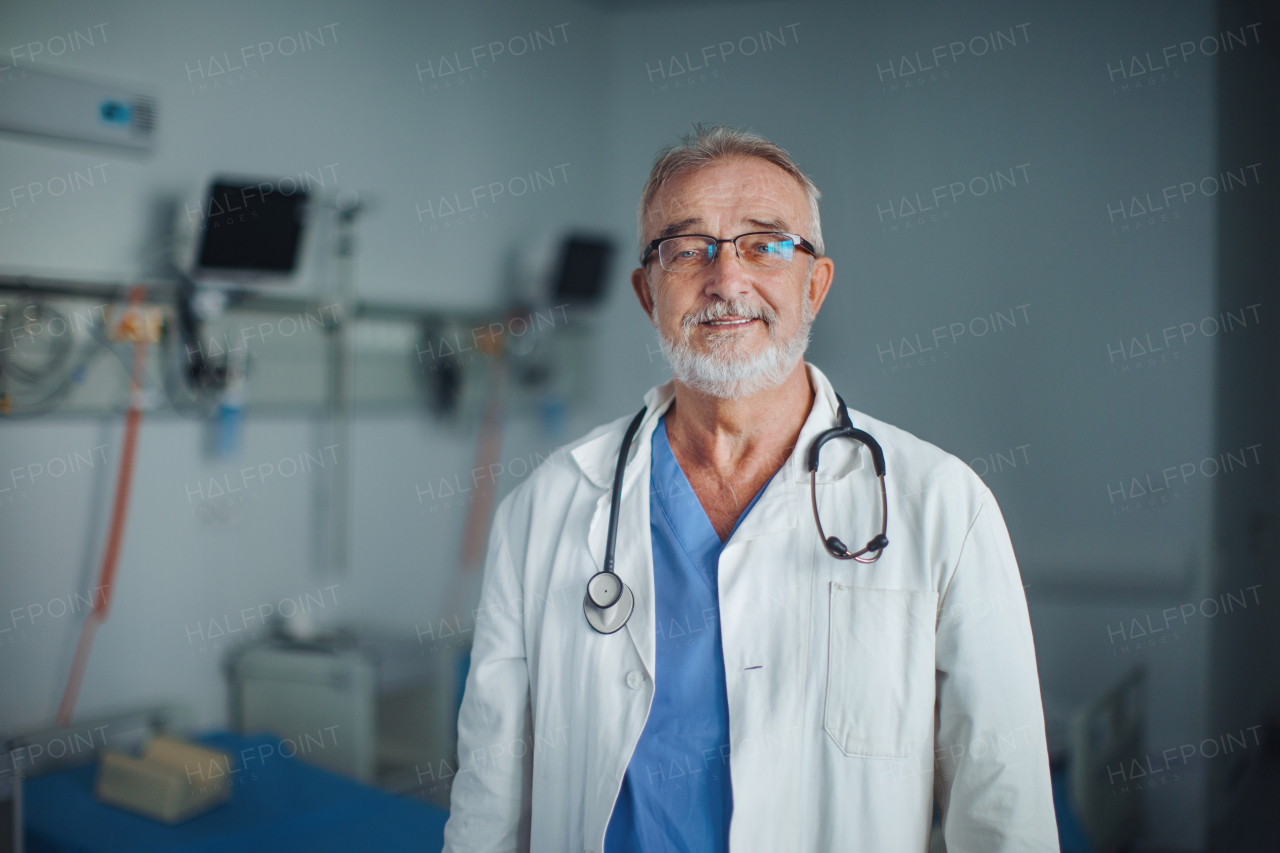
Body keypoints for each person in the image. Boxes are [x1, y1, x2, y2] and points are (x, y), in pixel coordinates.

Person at [442, 125, 1059, 852]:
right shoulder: (545, 510)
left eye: (765, 244)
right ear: (648, 293)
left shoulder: (942, 505)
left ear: (815, 284)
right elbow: (488, 798)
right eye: (687, 248)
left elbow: (1003, 806)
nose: (726, 279)